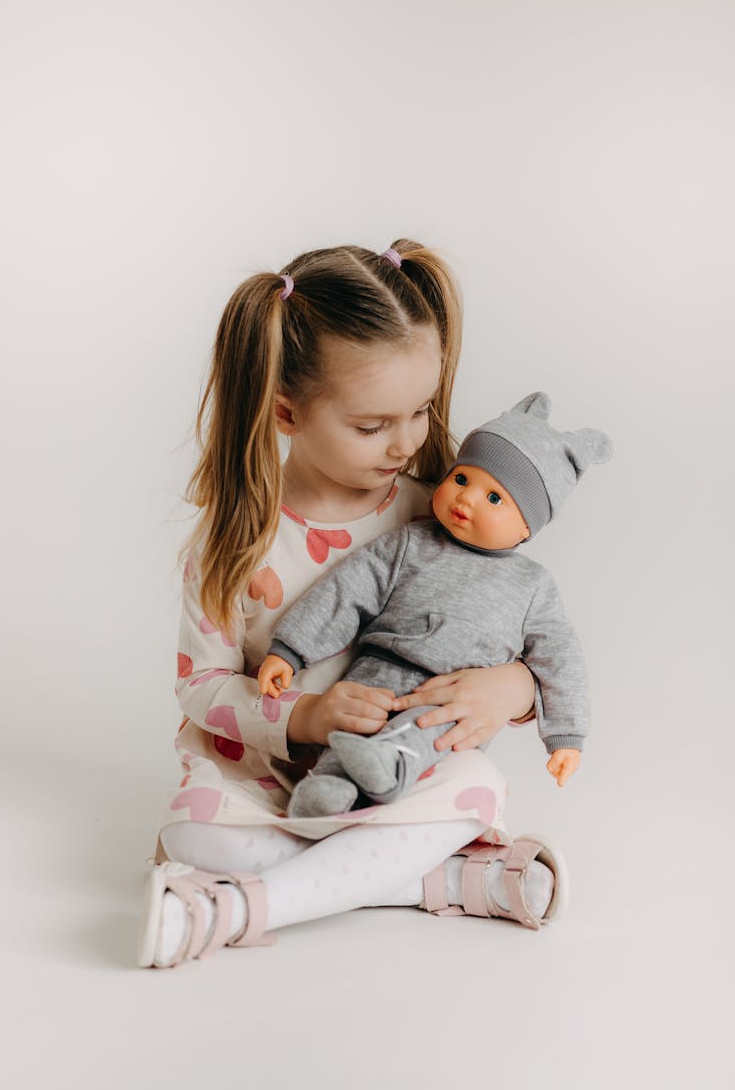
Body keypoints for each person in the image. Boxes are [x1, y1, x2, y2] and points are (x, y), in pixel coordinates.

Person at [138, 241, 568, 969]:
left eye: (422, 412)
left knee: (477, 787)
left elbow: (521, 627)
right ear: (286, 411)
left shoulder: (437, 517)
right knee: (191, 832)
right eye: (372, 425)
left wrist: (516, 687)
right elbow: (200, 686)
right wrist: (301, 716)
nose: (407, 442)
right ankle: (424, 879)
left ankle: (241, 905)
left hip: (400, 772)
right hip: (270, 784)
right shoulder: (235, 541)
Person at [259, 392, 611, 815]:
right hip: (380, 672)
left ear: (525, 528)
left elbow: (560, 660)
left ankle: (390, 771)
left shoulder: (533, 586)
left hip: (454, 701)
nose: (466, 499)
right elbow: (347, 590)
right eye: (462, 479)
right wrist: (291, 650)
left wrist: (566, 736)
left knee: (426, 731)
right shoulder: (410, 542)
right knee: (355, 728)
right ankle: (325, 792)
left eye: (494, 498)